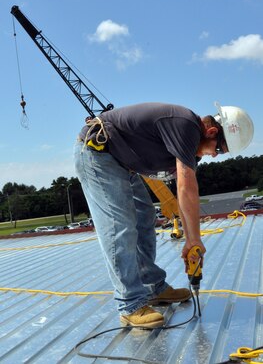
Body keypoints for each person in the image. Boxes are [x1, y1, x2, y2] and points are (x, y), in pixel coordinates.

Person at [74, 101, 253, 328]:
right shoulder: (185, 125)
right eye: (218, 149)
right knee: (120, 226)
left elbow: (183, 196)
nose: (215, 156)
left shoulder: (192, 146)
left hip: (121, 161)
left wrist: (191, 241)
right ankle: (129, 304)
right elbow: (186, 188)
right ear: (211, 131)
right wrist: (194, 239)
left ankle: (152, 288)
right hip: (97, 154)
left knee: (145, 216)